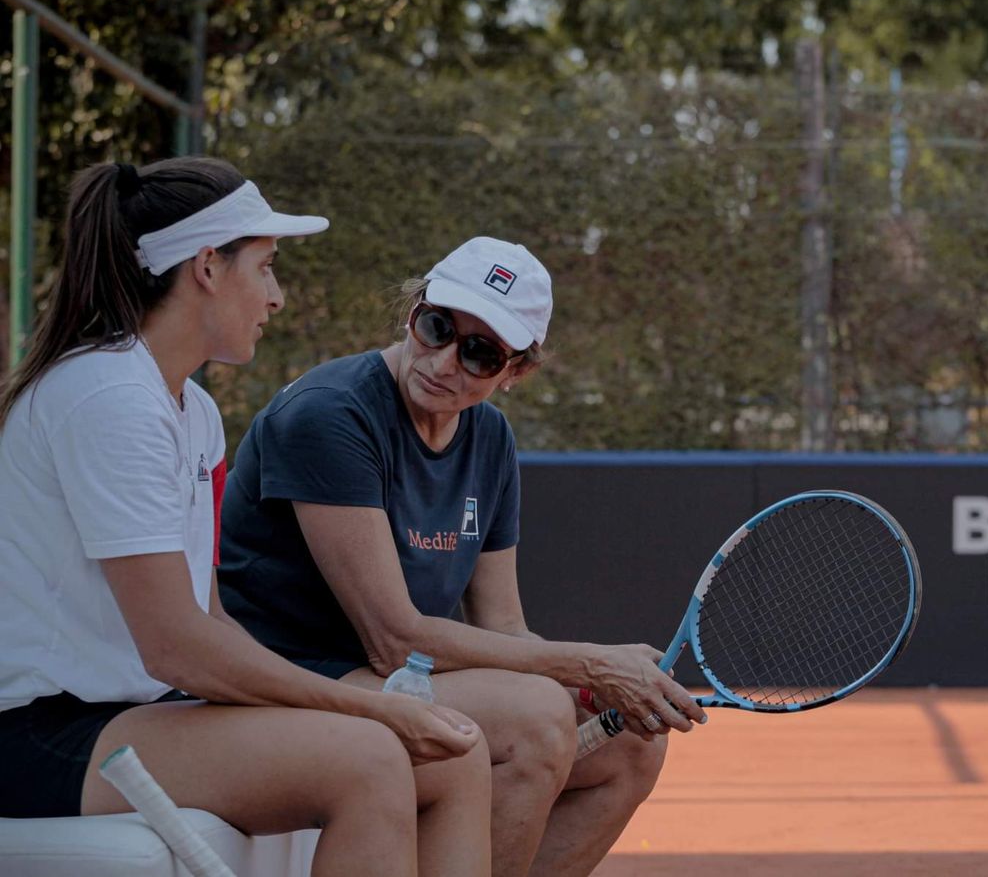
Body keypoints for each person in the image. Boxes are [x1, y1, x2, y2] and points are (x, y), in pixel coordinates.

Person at [0, 158, 492, 877]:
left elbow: (208, 619)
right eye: (264, 268)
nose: (276, 296)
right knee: (367, 761)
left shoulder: (190, 409)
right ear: (207, 267)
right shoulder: (104, 397)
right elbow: (175, 647)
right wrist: (368, 708)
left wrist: (361, 706)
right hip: (38, 734)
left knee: (453, 754)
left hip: (131, 712)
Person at [217, 236, 707, 877]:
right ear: (414, 309)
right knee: (534, 720)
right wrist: (588, 663)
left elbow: (502, 625)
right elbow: (394, 639)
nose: (445, 361)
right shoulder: (330, 415)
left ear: (515, 371)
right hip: (295, 677)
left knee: (633, 748)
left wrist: (592, 683)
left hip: (392, 678)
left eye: (479, 354)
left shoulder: (490, 438)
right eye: (438, 326)